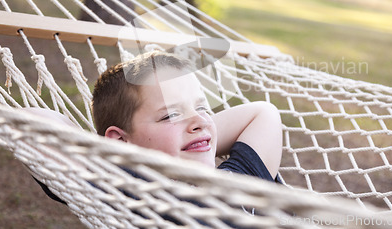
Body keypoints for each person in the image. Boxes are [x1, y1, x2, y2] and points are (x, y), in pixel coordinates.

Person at [93, 51, 282, 182]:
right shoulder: (124, 196)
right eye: (171, 115)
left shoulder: (240, 183)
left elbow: (264, 113)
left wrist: (196, 136)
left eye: (201, 108)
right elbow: (62, 143)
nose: (201, 121)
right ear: (120, 142)